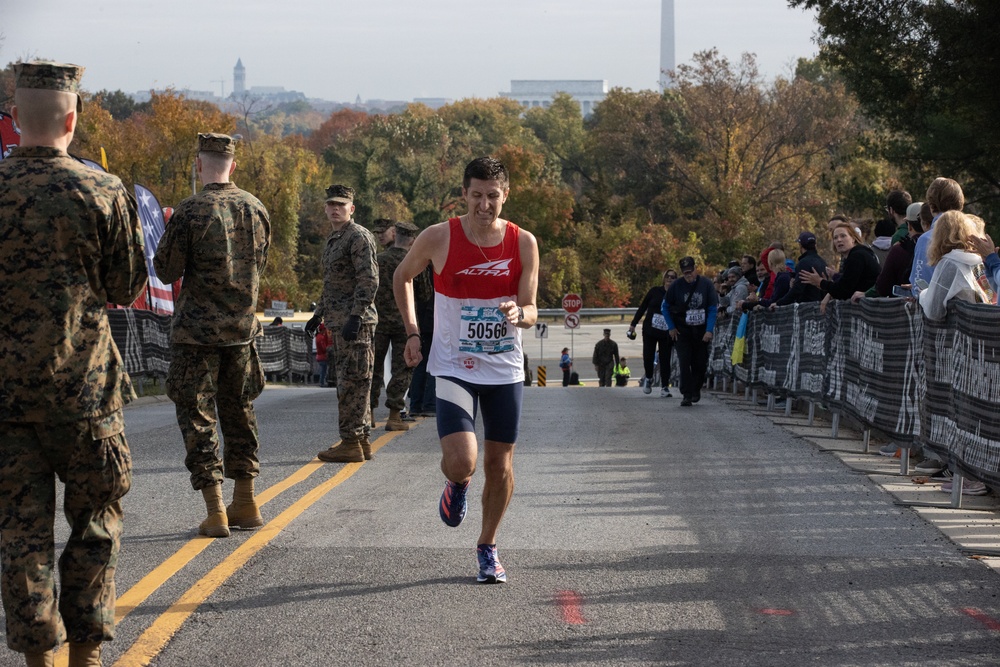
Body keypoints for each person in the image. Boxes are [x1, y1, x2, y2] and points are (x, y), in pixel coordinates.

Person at [0, 60, 147, 667]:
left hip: (6, 399)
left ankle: (39, 661)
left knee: (20, 540)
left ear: (13, 119)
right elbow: (126, 286)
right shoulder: (101, 191)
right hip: (86, 393)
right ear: (72, 118)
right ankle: (84, 658)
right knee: (94, 525)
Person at [392, 156, 539, 584]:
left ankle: (487, 546)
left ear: (505, 195)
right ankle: (457, 485)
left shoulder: (523, 242)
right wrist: (414, 333)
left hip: (504, 369)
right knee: (462, 462)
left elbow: (531, 306)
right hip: (454, 365)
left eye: (493, 196)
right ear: (464, 194)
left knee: (500, 465)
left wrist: (520, 313)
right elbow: (402, 276)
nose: (484, 204)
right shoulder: (439, 237)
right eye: (476, 195)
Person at [154, 132, 271, 540]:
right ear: (233, 165)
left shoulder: (189, 211)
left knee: (198, 416)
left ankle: (215, 510)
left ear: (199, 164)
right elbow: (259, 265)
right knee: (240, 413)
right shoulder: (256, 209)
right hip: (241, 332)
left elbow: (165, 270)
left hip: (196, 336)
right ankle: (247, 501)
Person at [305, 185, 379, 463]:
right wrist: (318, 314)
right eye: (331, 204)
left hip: (354, 323)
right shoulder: (335, 239)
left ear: (352, 208)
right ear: (325, 208)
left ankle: (350, 442)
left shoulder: (357, 236)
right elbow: (332, 285)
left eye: (341, 204)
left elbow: (368, 280)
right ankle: (360, 440)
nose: (335, 209)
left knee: (353, 384)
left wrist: (357, 315)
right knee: (353, 383)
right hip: (339, 321)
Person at [371, 221, 420, 432]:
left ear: (395, 235)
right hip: (404, 323)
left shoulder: (378, 260)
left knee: (373, 367)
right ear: (412, 240)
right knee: (402, 368)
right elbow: (425, 293)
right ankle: (394, 416)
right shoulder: (415, 262)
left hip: (378, 322)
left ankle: (368, 414)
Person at [661, 256, 719, 406]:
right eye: (685, 273)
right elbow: (665, 307)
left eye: (690, 271)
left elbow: (712, 309)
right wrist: (671, 327)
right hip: (682, 331)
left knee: (700, 363)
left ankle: (696, 388)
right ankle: (686, 394)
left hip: (701, 331)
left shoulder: (706, 284)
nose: (689, 275)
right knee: (684, 361)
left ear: (695, 269)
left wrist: (709, 330)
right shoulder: (676, 286)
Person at [800, 222, 880, 312]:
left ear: (853, 239)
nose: (839, 240)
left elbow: (843, 290)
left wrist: (820, 282)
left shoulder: (857, 256)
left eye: (843, 236)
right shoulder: (856, 255)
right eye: (835, 238)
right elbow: (845, 285)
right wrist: (829, 290)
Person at [910, 177, 965, 295]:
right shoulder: (973, 235)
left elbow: (919, 286)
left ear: (931, 204)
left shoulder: (926, 239)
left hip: (936, 310)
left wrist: (915, 289)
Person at [628, 270, 677, 397]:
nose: (670, 279)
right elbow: (642, 307)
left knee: (665, 359)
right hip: (650, 330)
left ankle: (665, 387)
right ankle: (649, 377)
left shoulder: (676, 295)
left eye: (673, 277)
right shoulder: (654, 291)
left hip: (666, 332)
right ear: (664, 278)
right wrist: (633, 324)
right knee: (648, 356)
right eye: (667, 276)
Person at [406, 264, 436, 417]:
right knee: (433, 363)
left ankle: (416, 404)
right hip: (432, 320)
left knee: (420, 363)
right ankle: (429, 403)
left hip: (420, 320)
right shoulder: (434, 266)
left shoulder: (417, 265)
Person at [773, 232, 828, 307]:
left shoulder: (803, 263)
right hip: (822, 307)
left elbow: (797, 289)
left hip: (807, 309)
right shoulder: (823, 262)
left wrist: (779, 303)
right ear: (815, 245)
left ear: (801, 245)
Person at [315, 322, 333, 387]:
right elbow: (323, 348)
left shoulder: (317, 336)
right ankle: (322, 382)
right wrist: (328, 349)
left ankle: (322, 381)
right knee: (323, 370)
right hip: (322, 356)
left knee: (323, 370)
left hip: (319, 356)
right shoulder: (321, 337)